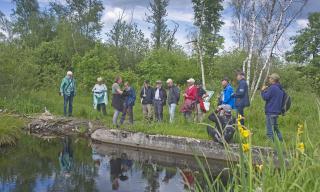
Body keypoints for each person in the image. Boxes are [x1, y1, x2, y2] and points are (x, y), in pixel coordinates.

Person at [261, 73, 284, 141]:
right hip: (277, 111)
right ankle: (281, 141)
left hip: (270, 111)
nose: (269, 79)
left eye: (270, 78)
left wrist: (262, 91)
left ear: (273, 80)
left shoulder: (272, 87)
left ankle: (270, 146)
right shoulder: (280, 88)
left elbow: (265, 97)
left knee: (270, 131)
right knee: (276, 128)